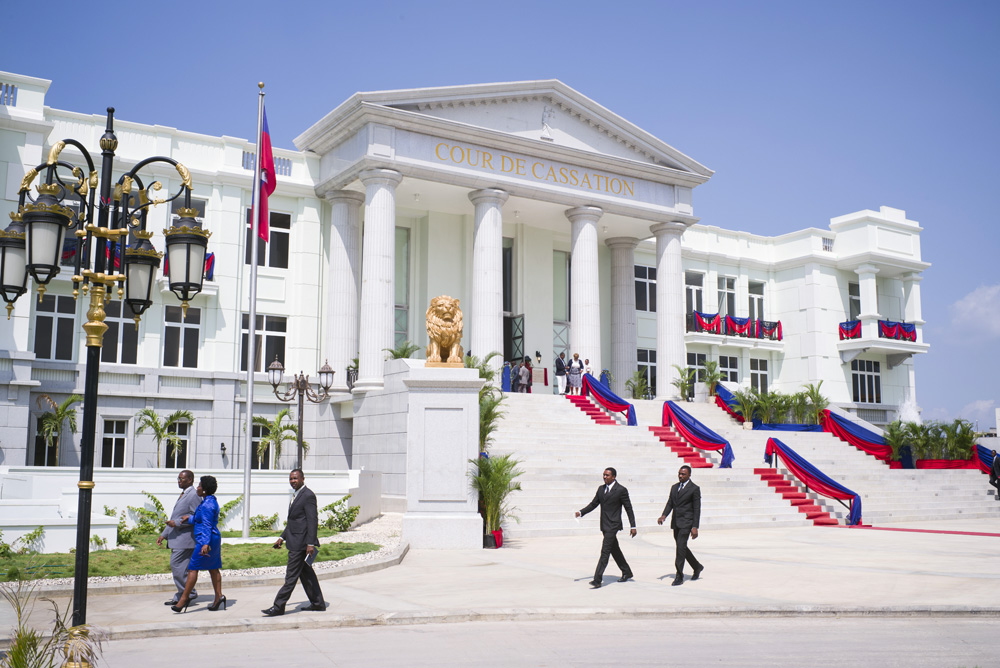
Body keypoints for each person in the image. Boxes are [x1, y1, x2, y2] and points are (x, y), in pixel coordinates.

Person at [262, 469, 326, 616]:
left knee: (290, 577)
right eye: (291, 479)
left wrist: (311, 543)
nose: (293, 481)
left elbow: (312, 521)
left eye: (295, 478)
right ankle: (318, 603)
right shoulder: (297, 495)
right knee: (307, 575)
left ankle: (278, 606)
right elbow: (294, 521)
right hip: (295, 540)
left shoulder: (308, 495)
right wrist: (282, 537)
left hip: (301, 544)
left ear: (303, 478)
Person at [575, 467, 636, 588]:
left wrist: (633, 526)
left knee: (605, 551)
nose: (604, 477)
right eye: (603, 475)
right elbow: (594, 504)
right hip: (604, 524)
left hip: (613, 525)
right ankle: (627, 571)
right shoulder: (601, 489)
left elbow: (628, 508)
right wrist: (581, 512)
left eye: (607, 475)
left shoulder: (621, 490)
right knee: (615, 550)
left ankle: (597, 579)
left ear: (613, 477)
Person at [172, 475, 225, 612]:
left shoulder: (207, 504)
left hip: (205, 539)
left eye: (200, 485)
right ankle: (219, 597)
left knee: (193, 568)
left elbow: (206, 524)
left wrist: (205, 544)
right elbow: (200, 518)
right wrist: (189, 518)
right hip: (211, 538)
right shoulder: (208, 501)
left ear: (205, 489)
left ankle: (184, 599)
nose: (198, 487)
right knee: (213, 568)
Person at [157, 469, 201, 607]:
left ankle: (187, 594)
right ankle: (183, 594)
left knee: (177, 566)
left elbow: (196, 517)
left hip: (185, 539)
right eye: (178, 478)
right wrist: (164, 534)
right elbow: (175, 516)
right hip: (177, 538)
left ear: (190, 480)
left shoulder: (193, 495)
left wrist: (175, 523)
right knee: (180, 568)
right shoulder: (184, 494)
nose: (179, 481)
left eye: (181, 479)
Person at [658, 465, 703, 586]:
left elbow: (697, 509)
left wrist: (695, 527)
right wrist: (664, 515)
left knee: (680, 548)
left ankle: (679, 575)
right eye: (679, 474)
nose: (680, 476)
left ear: (689, 475)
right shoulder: (674, 487)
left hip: (686, 523)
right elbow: (670, 503)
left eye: (683, 474)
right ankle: (697, 566)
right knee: (682, 547)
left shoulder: (694, 489)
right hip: (676, 523)